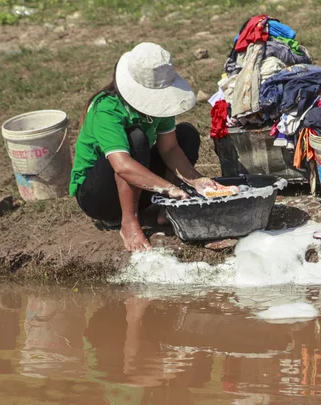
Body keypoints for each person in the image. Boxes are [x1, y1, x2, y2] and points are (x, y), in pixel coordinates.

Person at [69, 42, 222, 252]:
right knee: (137, 139)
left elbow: (169, 149)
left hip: (140, 188)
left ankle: (165, 209)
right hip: (98, 196)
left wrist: (196, 180)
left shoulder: (160, 107)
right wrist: (170, 188)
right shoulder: (106, 108)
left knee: (186, 133)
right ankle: (128, 222)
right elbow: (122, 166)